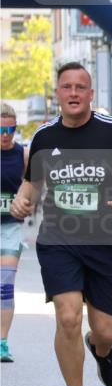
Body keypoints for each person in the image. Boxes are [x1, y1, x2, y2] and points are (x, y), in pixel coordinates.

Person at [9, 63, 112, 386]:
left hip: (106, 241)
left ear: (90, 94)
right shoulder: (44, 136)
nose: (73, 93)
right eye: (66, 87)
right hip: (58, 240)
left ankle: (101, 350)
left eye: (80, 87)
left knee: (107, 330)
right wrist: (23, 200)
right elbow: (32, 184)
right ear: (58, 93)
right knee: (67, 316)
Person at [1, 103, 30, 362]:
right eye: (1, 129)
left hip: (10, 227)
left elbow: (34, 186)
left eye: (11, 128)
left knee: (5, 285)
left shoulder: (23, 155)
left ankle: (2, 342)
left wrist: (27, 202)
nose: (6, 134)